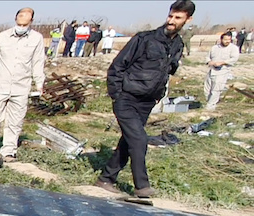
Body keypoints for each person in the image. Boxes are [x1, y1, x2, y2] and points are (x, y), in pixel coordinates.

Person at [95, 0, 194, 199]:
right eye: (171, 16)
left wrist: (158, 94)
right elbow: (117, 66)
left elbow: (169, 70)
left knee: (129, 141)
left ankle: (106, 179)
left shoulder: (177, 45)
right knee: (140, 139)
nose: (172, 21)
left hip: (147, 102)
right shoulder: (144, 39)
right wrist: (117, 94)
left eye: (178, 18)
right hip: (127, 98)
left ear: (187, 20)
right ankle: (142, 186)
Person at [0, 7, 46, 162]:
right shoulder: (2, 37)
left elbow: (38, 62)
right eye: (21, 15)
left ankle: (9, 150)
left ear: (31, 20)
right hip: (0, 84)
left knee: (15, 121)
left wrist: (39, 84)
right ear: (16, 18)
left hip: (21, 86)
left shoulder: (36, 39)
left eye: (27, 16)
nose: (23, 18)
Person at [204, 33, 239, 110]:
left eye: (229, 40)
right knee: (207, 89)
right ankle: (209, 102)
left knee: (216, 89)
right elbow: (207, 57)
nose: (227, 41)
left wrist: (222, 62)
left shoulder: (233, 48)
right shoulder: (214, 47)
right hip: (212, 70)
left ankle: (210, 107)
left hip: (223, 71)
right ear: (221, 39)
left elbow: (234, 59)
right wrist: (210, 62)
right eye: (225, 39)